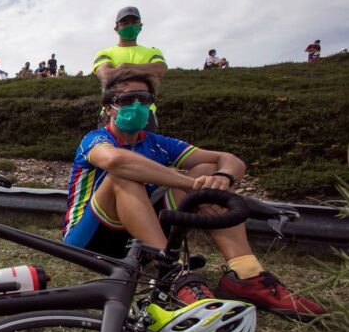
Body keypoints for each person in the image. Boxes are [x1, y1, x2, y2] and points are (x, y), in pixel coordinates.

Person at [61, 69, 325, 318]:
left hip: (138, 242)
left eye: (144, 99)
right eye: (128, 99)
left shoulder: (158, 144)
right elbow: (115, 161)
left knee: (209, 171)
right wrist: (191, 185)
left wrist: (222, 179)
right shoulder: (95, 139)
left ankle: (246, 274)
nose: (138, 105)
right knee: (123, 175)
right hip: (88, 240)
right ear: (109, 108)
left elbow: (229, 160)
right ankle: (172, 274)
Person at [92, 6, 166, 130]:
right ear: (116, 28)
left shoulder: (153, 52)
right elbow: (106, 75)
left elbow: (160, 70)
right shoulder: (104, 53)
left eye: (134, 21)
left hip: (145, 112)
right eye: (125, 22)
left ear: (141, 25)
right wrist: (144, 73)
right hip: (113, 112)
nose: (130, 25)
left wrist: (124, 67)